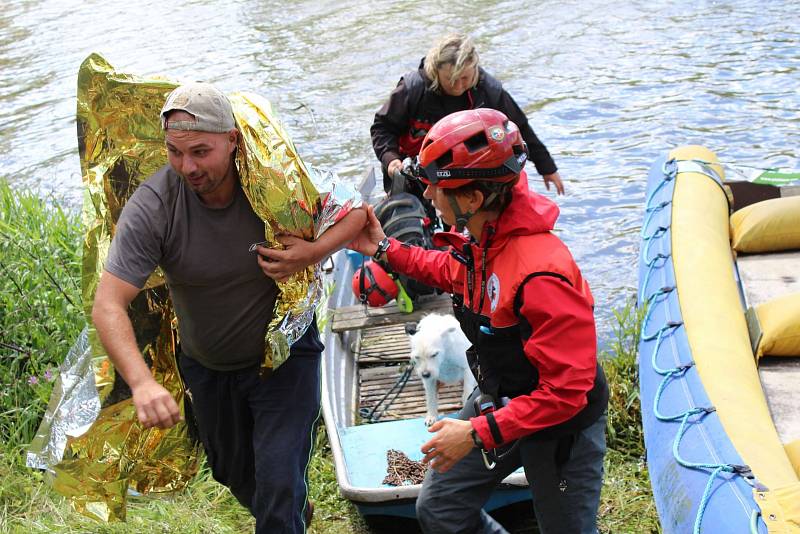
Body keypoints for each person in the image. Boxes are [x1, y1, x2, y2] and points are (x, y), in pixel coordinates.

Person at [91, 82, 366, 533]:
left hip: (284, 361)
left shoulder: (274, 181)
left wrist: (309, 253)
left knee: (279, 479)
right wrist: (141, 384)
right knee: (231, 471)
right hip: (208, 368)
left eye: (201, 152)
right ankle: (290, 509)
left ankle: (285, 510)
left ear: (233, 140)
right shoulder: (157, 204)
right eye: (175, 153)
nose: (188, 166)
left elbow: (355, 209)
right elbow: (109, 304)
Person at [350, 109, 607, 534]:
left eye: (437, 185)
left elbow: (566, 393)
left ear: (471, 199)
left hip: (560, 426)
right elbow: (449, 270)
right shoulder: (485, 236)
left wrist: (475, 433)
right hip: (502, 396)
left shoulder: (542, 274)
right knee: (440, 508)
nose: (428, 194)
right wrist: (383, 248)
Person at [371, 33, 565, 200]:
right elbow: (382, 128)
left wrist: (547, 167)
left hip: (465, 176)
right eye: (450, 79)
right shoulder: (412, 90)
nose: (458, 86)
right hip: (413, 173)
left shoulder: (489, 92)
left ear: (475, 69)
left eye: (465, 78)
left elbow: (519, 129)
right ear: (435, 71)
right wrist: (391, 159)